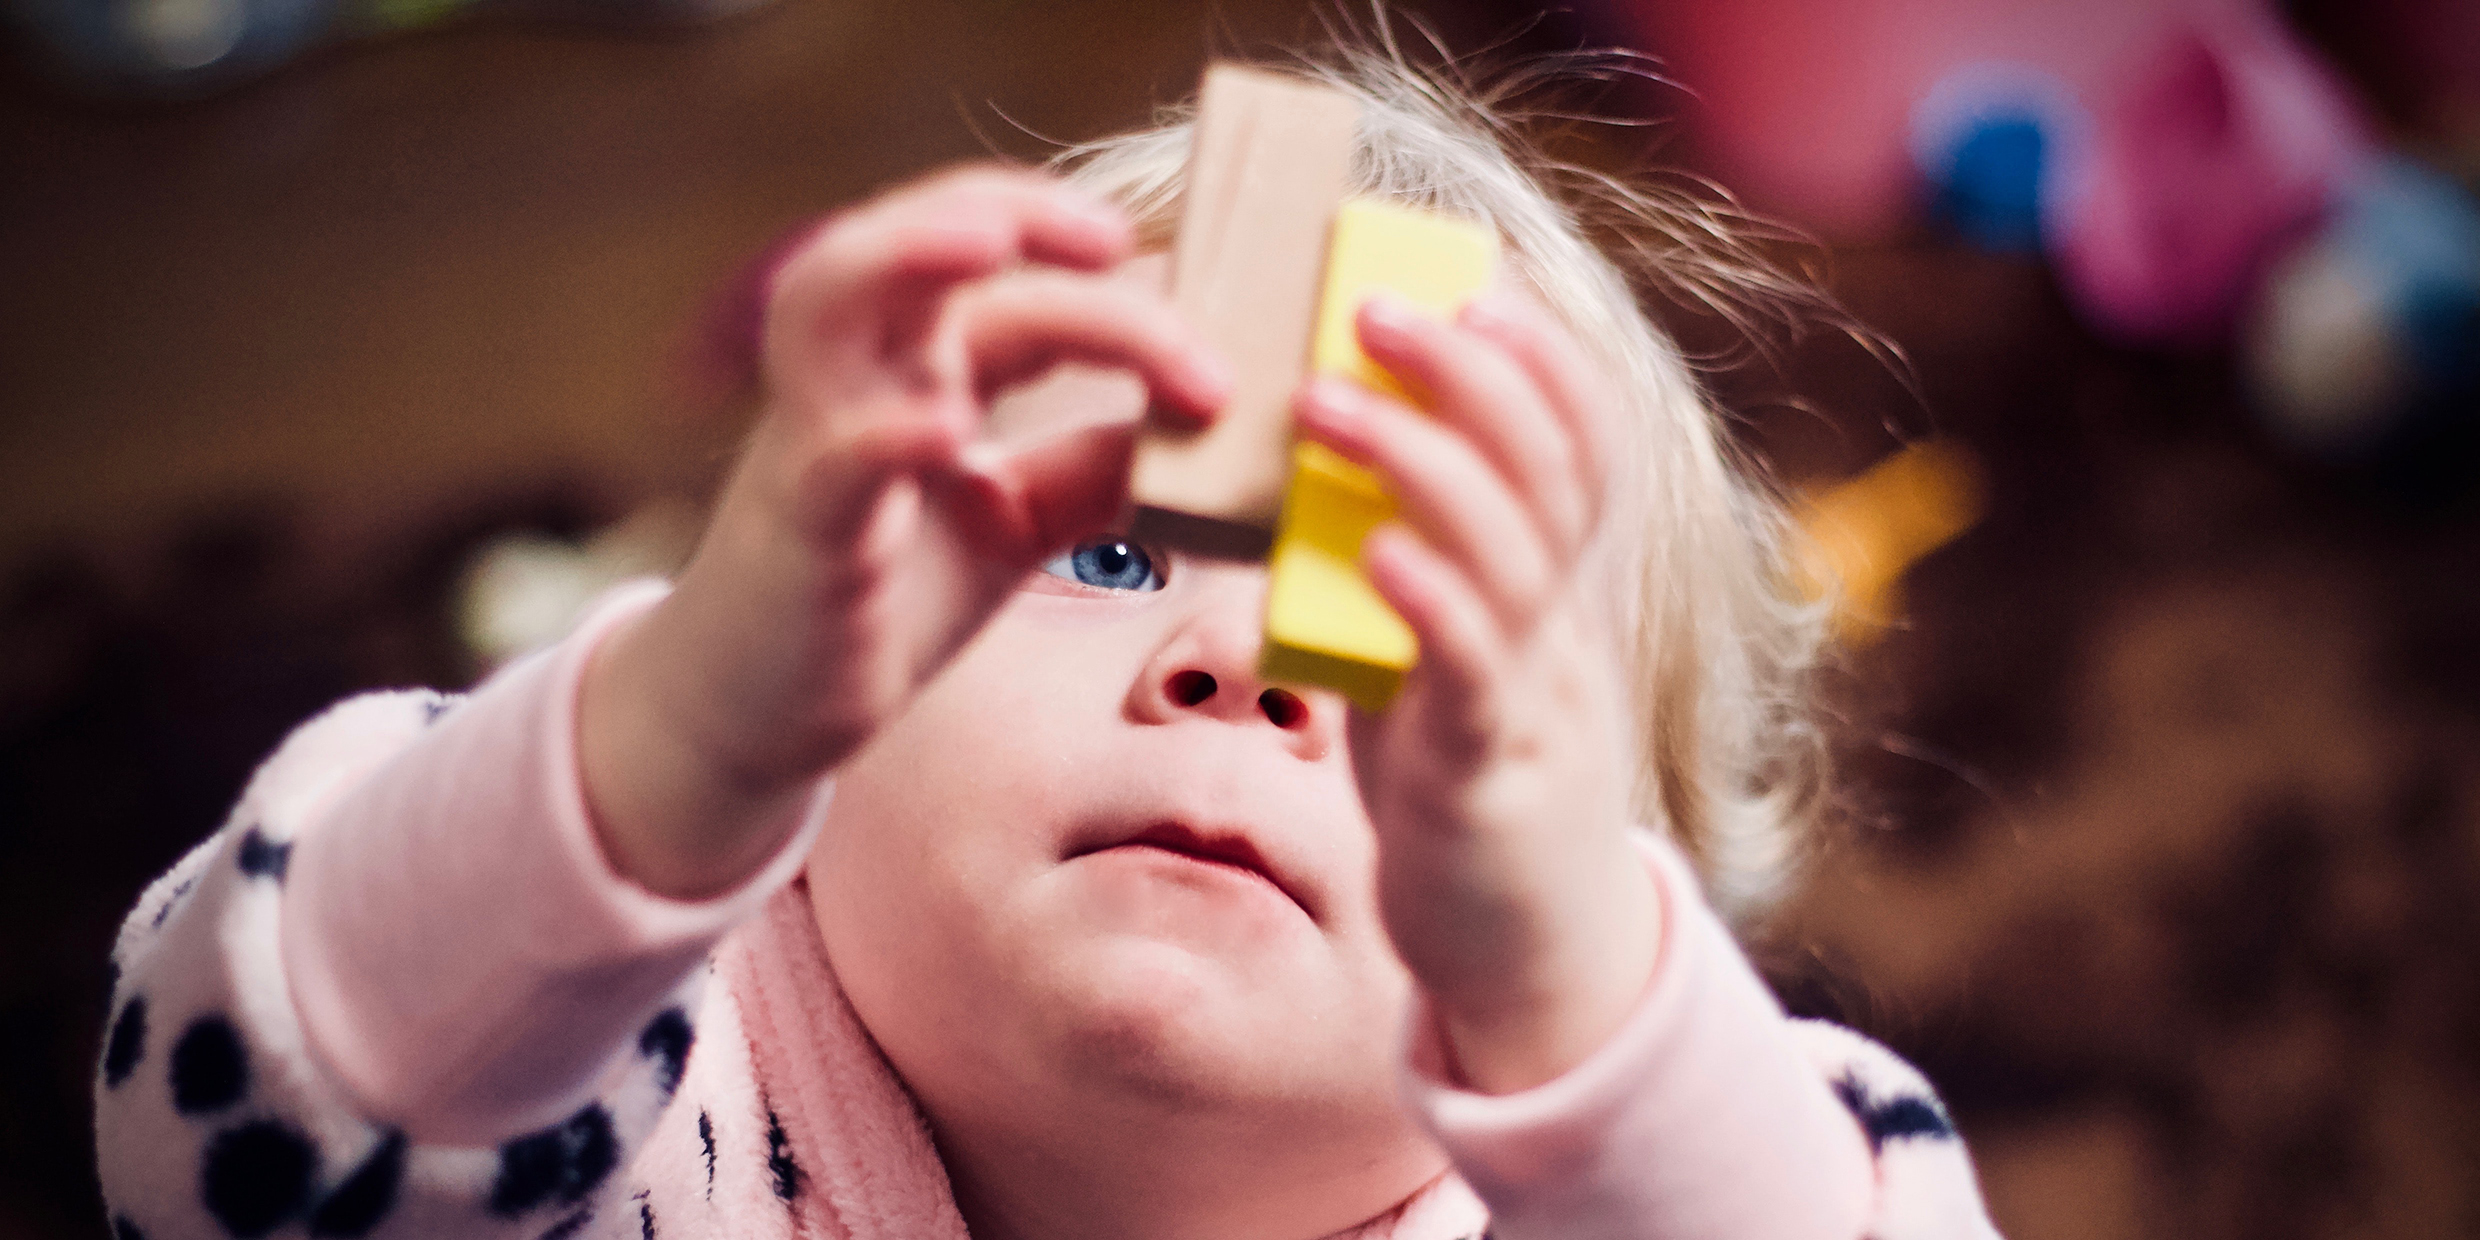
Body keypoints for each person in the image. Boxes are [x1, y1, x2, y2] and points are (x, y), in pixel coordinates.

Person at [94, 45, 2002, 1240]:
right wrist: (671, 748)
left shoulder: (1587, 1196)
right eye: (1105, 555)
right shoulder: (609, 1068)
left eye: (1408, 652)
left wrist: (1595, 1015)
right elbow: (238, 1144)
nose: (1242, 669)